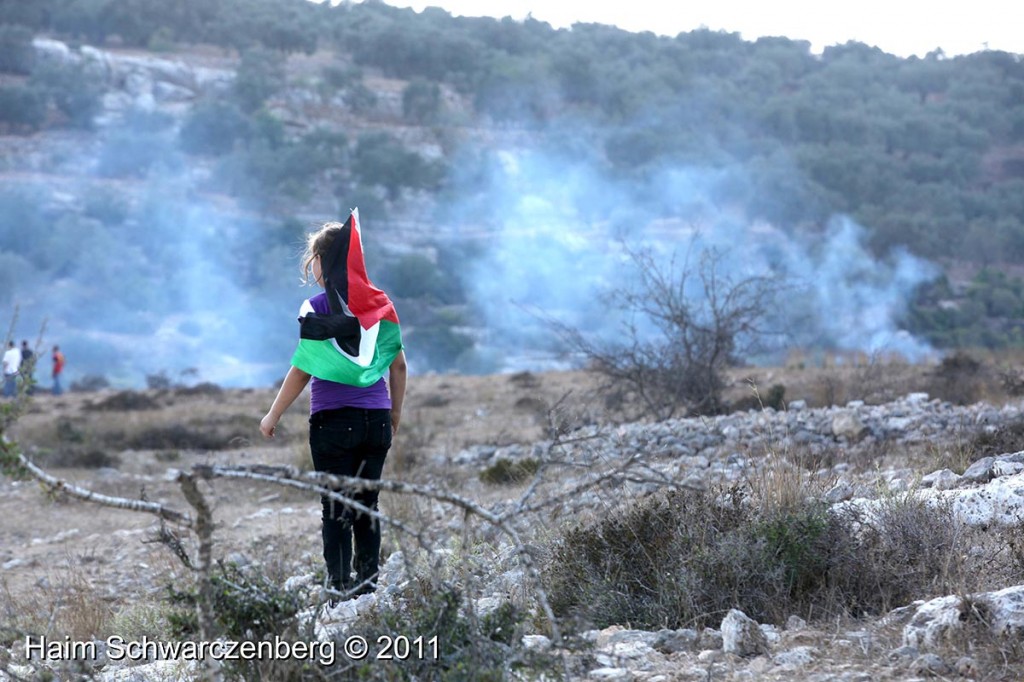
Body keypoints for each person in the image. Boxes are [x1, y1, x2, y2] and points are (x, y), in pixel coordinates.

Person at [260, 211, 407, 602]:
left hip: (332, 423)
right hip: (376, 421)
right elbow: (400, 365)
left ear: (322, 261)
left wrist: (273, 413)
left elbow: (303, 368)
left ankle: (341, 591)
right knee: (367, 506)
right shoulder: (381, 307)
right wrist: (394, 413)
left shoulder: (316, 308)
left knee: (336, 508)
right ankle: (369, 590)